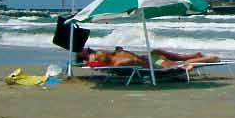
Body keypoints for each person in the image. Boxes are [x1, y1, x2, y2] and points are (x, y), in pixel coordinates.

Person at [88, 47, 219, 71]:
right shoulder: (118, 56)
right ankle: (197, 56)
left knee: (176, 64)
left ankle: (205, 58)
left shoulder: (117, 62)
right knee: (177, 62)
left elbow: (139, 62)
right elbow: (135, 60)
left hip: (155, 62)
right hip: (154, 60)